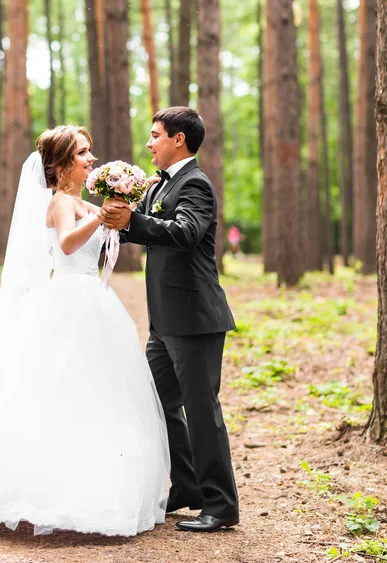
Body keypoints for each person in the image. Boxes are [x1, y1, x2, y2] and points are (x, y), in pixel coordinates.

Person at [0, 125, 170, 537]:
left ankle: (93, 487)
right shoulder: (62, 201)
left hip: (92, 300)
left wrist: (127, 196)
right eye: (83, 153)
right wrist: (101, 215)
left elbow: (105, 233)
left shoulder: (79, 200)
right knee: (57, 392)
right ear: (62, 165)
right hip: (70, 300)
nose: (91, 159)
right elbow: (65, 245)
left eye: (90, 152)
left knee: (95, 395)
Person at [101, 107, 239, 533]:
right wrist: (107, 219)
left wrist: (135, 220)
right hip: (164, 323)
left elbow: (185, 232)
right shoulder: (161, 184)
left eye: (155, 135)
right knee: (157, 402)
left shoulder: (195, 183)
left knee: (201, 411)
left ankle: (221, 504)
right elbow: (136, 228)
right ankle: (188, 486)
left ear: (179, 139)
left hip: (195, 318)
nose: (149, 143)